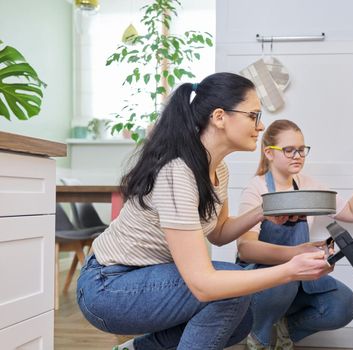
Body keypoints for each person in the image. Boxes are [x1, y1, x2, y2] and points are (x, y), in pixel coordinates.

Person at [76, 73, 334, 350]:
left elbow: (219, 233)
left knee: (242, 320)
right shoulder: (178, 172)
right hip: (108, 285)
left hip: (145, 279)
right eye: (253, 116)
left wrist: (262, 212)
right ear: (220, 117)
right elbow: (203, 285)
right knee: (230, 292)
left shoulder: (218, 169)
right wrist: (290, 270)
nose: (260, 127)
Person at [237, 119, 353, 349]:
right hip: (261, 284)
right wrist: (296, 254)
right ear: (269, 152)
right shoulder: (257, 188)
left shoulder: (307, 185)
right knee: (286, 277)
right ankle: (260, 336)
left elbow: (351, 212)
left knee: (344, 304)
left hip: (295, 278)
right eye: (289, 150)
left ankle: (284, 331)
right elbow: (246, 249)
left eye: (301, 149)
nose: (297, 155)